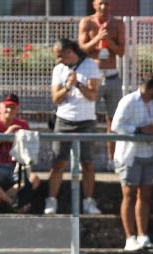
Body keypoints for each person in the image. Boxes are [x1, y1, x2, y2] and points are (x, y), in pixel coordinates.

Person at [110, 74, 153, 251]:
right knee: (129, 194)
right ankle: (130, 237)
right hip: (131, 155)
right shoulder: (128, 101)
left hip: (150, 155)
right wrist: (139, 130)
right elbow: (116, 126)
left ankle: (143, 235)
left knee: (145, 195)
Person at [46, 38, 102, 216]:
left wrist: (78, 83)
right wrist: (67, 87)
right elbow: (55, 98)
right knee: (58, 162)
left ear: (70, 52)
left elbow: (93, 95)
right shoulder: (59, 69)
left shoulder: (90, 66)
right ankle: (51, 200)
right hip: (64, 119)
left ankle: (89, 201)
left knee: (88, 163)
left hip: (86, 120)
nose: (59, 60)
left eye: (61, 56)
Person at [79, 0, 126, 172]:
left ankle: (112, 159)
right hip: (93, 76)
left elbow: (121, 51)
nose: (104, 7)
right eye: (101, 3)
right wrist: (97, 39)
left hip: (112, 75)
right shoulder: (87, 22)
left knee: (113, 121)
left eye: (107, 3)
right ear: (94, 5)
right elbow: (82, 49)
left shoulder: (117, 23)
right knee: (85, 117)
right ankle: (83, 159)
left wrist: (109, 41)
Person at [0, 93, 39, 213]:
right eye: (6, 106)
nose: (9, 110)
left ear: (17, 110)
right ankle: (12, 203)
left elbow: (29, 151)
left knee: (34, 179)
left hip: (14, 168)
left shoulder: (23, 125)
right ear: (0, 108)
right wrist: (5, 136)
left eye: (13, 107)